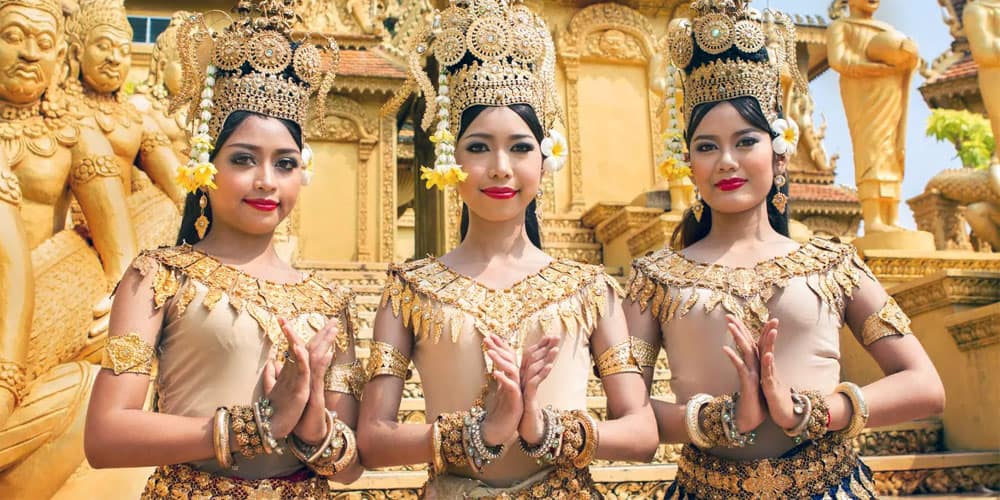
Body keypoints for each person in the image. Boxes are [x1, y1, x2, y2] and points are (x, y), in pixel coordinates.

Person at [626, 1, 945, 498]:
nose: (726, 161)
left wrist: (814, 411)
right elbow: (630, 416)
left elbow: (924, 385)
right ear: (688, 162)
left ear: (779, 153)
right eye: (707, 146)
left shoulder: (833, 264)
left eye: (745, 141)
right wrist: (722, 418)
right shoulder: (655, 277)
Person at [357, 1, 658, 497]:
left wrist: (545, 429)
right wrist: (482, 432)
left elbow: (642, 431)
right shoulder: (409, 290)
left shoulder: (589, 289)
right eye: (478, 147)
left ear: (545, 159)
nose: (500, 167)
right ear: (449, 159)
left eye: (520, 147)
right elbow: (373, 438)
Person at [84, 2, 364, 497]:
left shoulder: (329, 302)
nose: (265, 181)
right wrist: (255, 426)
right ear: (205, 169)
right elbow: (105, 436)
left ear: (303, 173)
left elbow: (350, 468)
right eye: (242, 159)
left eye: (285, 164)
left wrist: (315, 426)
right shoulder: (158, 276)